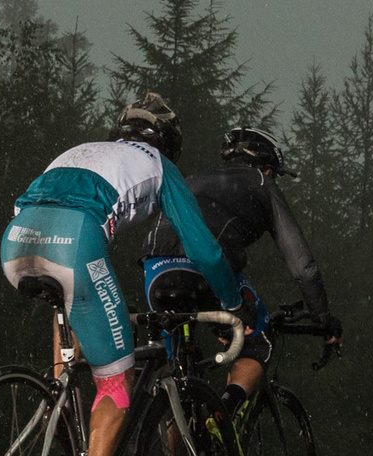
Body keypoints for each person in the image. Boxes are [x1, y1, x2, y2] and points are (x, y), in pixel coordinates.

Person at [0, 95, 243, 456]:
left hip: (16, 242)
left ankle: (60, 401)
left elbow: (28, 204)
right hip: (74, 242)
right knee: (117, 380)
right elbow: (205, 251)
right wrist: (231, 304)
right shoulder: (160, 165)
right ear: (167, 143)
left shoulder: (81, 150)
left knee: (71, 334)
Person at [137, 125, 342, 415]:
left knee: (178, 380)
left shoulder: (193, 178)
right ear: (267, 168)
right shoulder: (262, 183)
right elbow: (303, 265)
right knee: (259, 341)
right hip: (206, 272)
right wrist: (323, 319)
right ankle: (224, 413)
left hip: (155, 271)